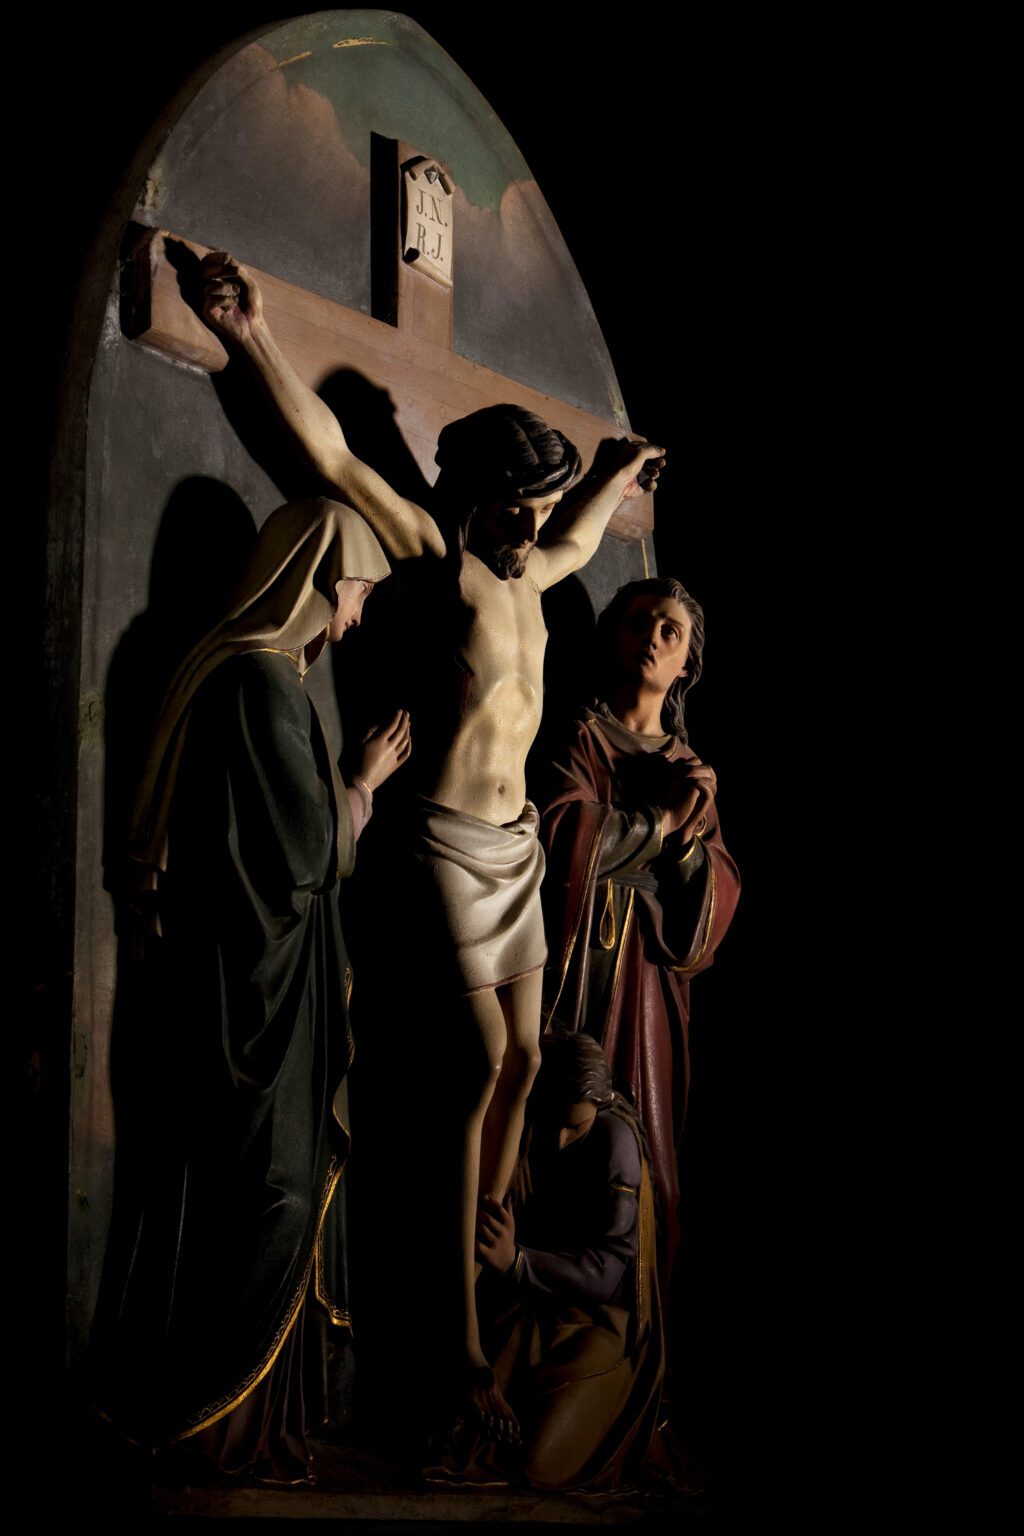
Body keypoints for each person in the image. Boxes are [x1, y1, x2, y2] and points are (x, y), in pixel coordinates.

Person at [198, 252, 665, 1437]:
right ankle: (453, 1341)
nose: (531, 524)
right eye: (516, 504)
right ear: (475, 494)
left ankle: (482, 1274)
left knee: (523, 1062)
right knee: (475, 1069)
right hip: (443, 844)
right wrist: (251, 334)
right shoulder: (432, 556)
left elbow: (580, 539)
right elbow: (334, 459)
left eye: (539, 505)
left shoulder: (533, 571)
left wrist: (611, 475)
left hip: (513, 852)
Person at [96, 498, 410, 1484]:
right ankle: (213, 1421)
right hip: (255, 996)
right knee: (272, 1193)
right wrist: (362, 786)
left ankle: (254, 1425)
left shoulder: (264, 680)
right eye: (357, 590)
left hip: (260, 978)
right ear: (315, 580)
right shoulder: (262, 685)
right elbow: (305, 853)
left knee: (269, 1191)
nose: (358, 612)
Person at [540, 578, 740, 1298]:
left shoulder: (688, 771)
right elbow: (557, 834)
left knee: (645, 1157)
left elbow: (715, 905)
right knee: (550, 1146)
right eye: (639, 622)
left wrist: (683, 851)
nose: (652, 638)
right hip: (572, 975)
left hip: (646, 993)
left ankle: (630, 1333)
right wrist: (662, 824)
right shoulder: (580, 739)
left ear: (687, 664)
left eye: (670, 631)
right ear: (614, 636)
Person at [463, 1030, 663, 1492]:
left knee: (540, 1460)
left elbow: (607, 1271)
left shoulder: (616, 1142)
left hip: (602, 1322)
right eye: (553, 1120)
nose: (558, 1139)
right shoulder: (523, 1122)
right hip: (537, 1309)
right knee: (469, 1427)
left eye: (575, 1127)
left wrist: (518, 1262)